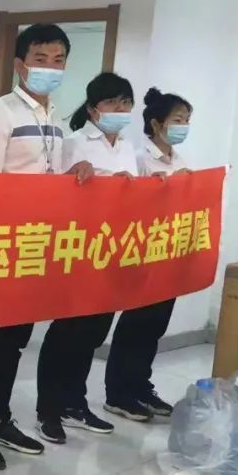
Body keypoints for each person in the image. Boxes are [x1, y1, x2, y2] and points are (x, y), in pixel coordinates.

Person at [0, 23, 94, 471]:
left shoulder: (54, 118)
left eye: (58, 60)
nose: (50, 68)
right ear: (20, 65)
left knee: (14, 340)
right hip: (1, 245)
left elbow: (47, 179)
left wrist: (76, 172)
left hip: (35, 247)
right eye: (40, 59)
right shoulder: (1, 113)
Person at [35, 72, 137, 444]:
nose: (119, 109)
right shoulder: (74, 142)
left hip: (112, 252)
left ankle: (74, 402)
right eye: (112, 102)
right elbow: (58, 191)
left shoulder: (127, 147)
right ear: (94, 109)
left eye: (125, 102)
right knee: (67, 331)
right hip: (78, 252)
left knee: (93, 333)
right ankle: (48, 410)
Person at [104, 87, 194, 422]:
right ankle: (118, 393)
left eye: (187, 120)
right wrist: (169, 188)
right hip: (142, 253)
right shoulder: (140, 156)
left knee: (155, 325)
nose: (183, 126)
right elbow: (133, 203)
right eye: (177, 120)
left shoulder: (178, 160)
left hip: (169, 253)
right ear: (157, 124)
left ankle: (141, 385)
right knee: (135, 324)